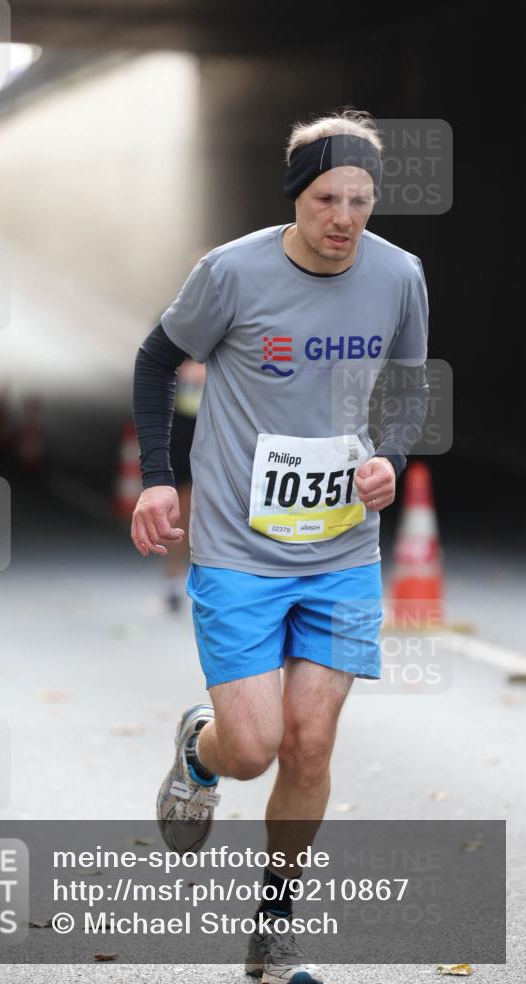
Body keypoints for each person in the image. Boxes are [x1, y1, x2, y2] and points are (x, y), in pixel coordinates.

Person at [132, 109, 429, 983]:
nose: (345, 218)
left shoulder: (399, 275)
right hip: (235, 546)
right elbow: (155, 361)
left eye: (360, 200)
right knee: (253, 746)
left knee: (309, 745)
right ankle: (201, 749)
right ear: (295, 195)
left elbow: (411, 386)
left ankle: (275, 924)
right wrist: (157, 477)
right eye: (328, 198)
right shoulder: (231, 272)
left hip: (341, 550)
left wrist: (389, 459)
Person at [164, 357, 206, 612]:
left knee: (213, 509)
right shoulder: (176, 330)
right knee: (181, 509)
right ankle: (173, 578)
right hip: (182, 432)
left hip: (216, 433)